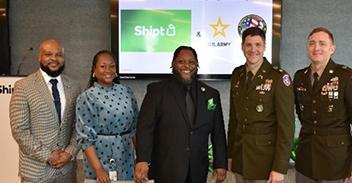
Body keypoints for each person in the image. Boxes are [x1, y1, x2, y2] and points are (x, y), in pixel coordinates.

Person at [134, 46, 227, 183]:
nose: (187, 66)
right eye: (181, 61)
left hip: (197, 169)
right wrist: (142, 159)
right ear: (173, 63)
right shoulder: (156, 91)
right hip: (166, 168)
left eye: (192, 62)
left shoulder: (210, 94)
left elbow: (218, 133)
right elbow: (145, 128)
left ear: (197, 65)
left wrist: (220, 163)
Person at [293, 27, 352, 183]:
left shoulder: (346, 77)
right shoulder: (300, 77)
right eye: (312, 43)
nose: (316, 48)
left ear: (332, 48)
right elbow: (302, 114)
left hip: (336, 162)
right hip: (306, 159)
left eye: (322, 43)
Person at [227, 27, 295, 183]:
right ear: (242, 47)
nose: (253, 50)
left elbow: (287, 126)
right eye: (248, 45)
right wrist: (230, 154)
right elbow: (234, 120)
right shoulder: (237, 75)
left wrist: (280, 166)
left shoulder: (278, 77)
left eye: (258, 45)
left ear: (264, 46)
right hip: (241, 157)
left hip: (266, 162)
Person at [9, 39, 81, 183]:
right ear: (39, 57)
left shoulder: (74, 86)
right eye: (48, 54)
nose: (54, 59)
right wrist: (48, 155)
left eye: (59, 55)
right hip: (36, 172)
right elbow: (19, 130)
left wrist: (69, 153)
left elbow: (78, 126)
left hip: (66, 172)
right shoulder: (23, 86)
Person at [75, 50, 139, 183]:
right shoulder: (87, 97)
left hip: (126, 154)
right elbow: (85, 139)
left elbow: (135, 128)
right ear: (94, 69)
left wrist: (139, 157)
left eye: (112, 66)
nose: (108, 70)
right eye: (103, 66)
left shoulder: (126, 91)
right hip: (100, 157)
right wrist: (98, 169)